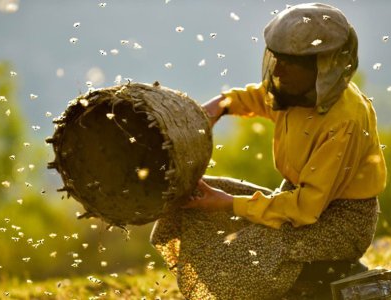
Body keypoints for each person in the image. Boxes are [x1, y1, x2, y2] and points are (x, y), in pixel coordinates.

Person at [151, 3, 387, 299]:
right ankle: (311, 282)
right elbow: (255, 97)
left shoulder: (345, 121)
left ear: (324, 65)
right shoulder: (295, 91)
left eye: (291, 62)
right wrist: (217, 108)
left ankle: (343, 282)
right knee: (198, 203)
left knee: (246, 252)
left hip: (341, 223)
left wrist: (228, 204)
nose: (279, 69)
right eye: (278, 59)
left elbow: (304, 208)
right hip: (296, 202)